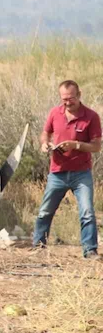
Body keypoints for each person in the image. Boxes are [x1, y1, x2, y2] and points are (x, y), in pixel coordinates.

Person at [33, 80, 102, 258]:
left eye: (70, 99)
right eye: (64, 99)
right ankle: (38, 245)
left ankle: (90, 250)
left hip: (81, 173)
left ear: (79, 95)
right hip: (57, 171)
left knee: (87, 212)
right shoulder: (55, 113)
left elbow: (96, 146)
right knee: (45, 211)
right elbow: (45, 133)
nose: (67, 103)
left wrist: (75, 145)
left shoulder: (91, 117)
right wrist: (45, 144)